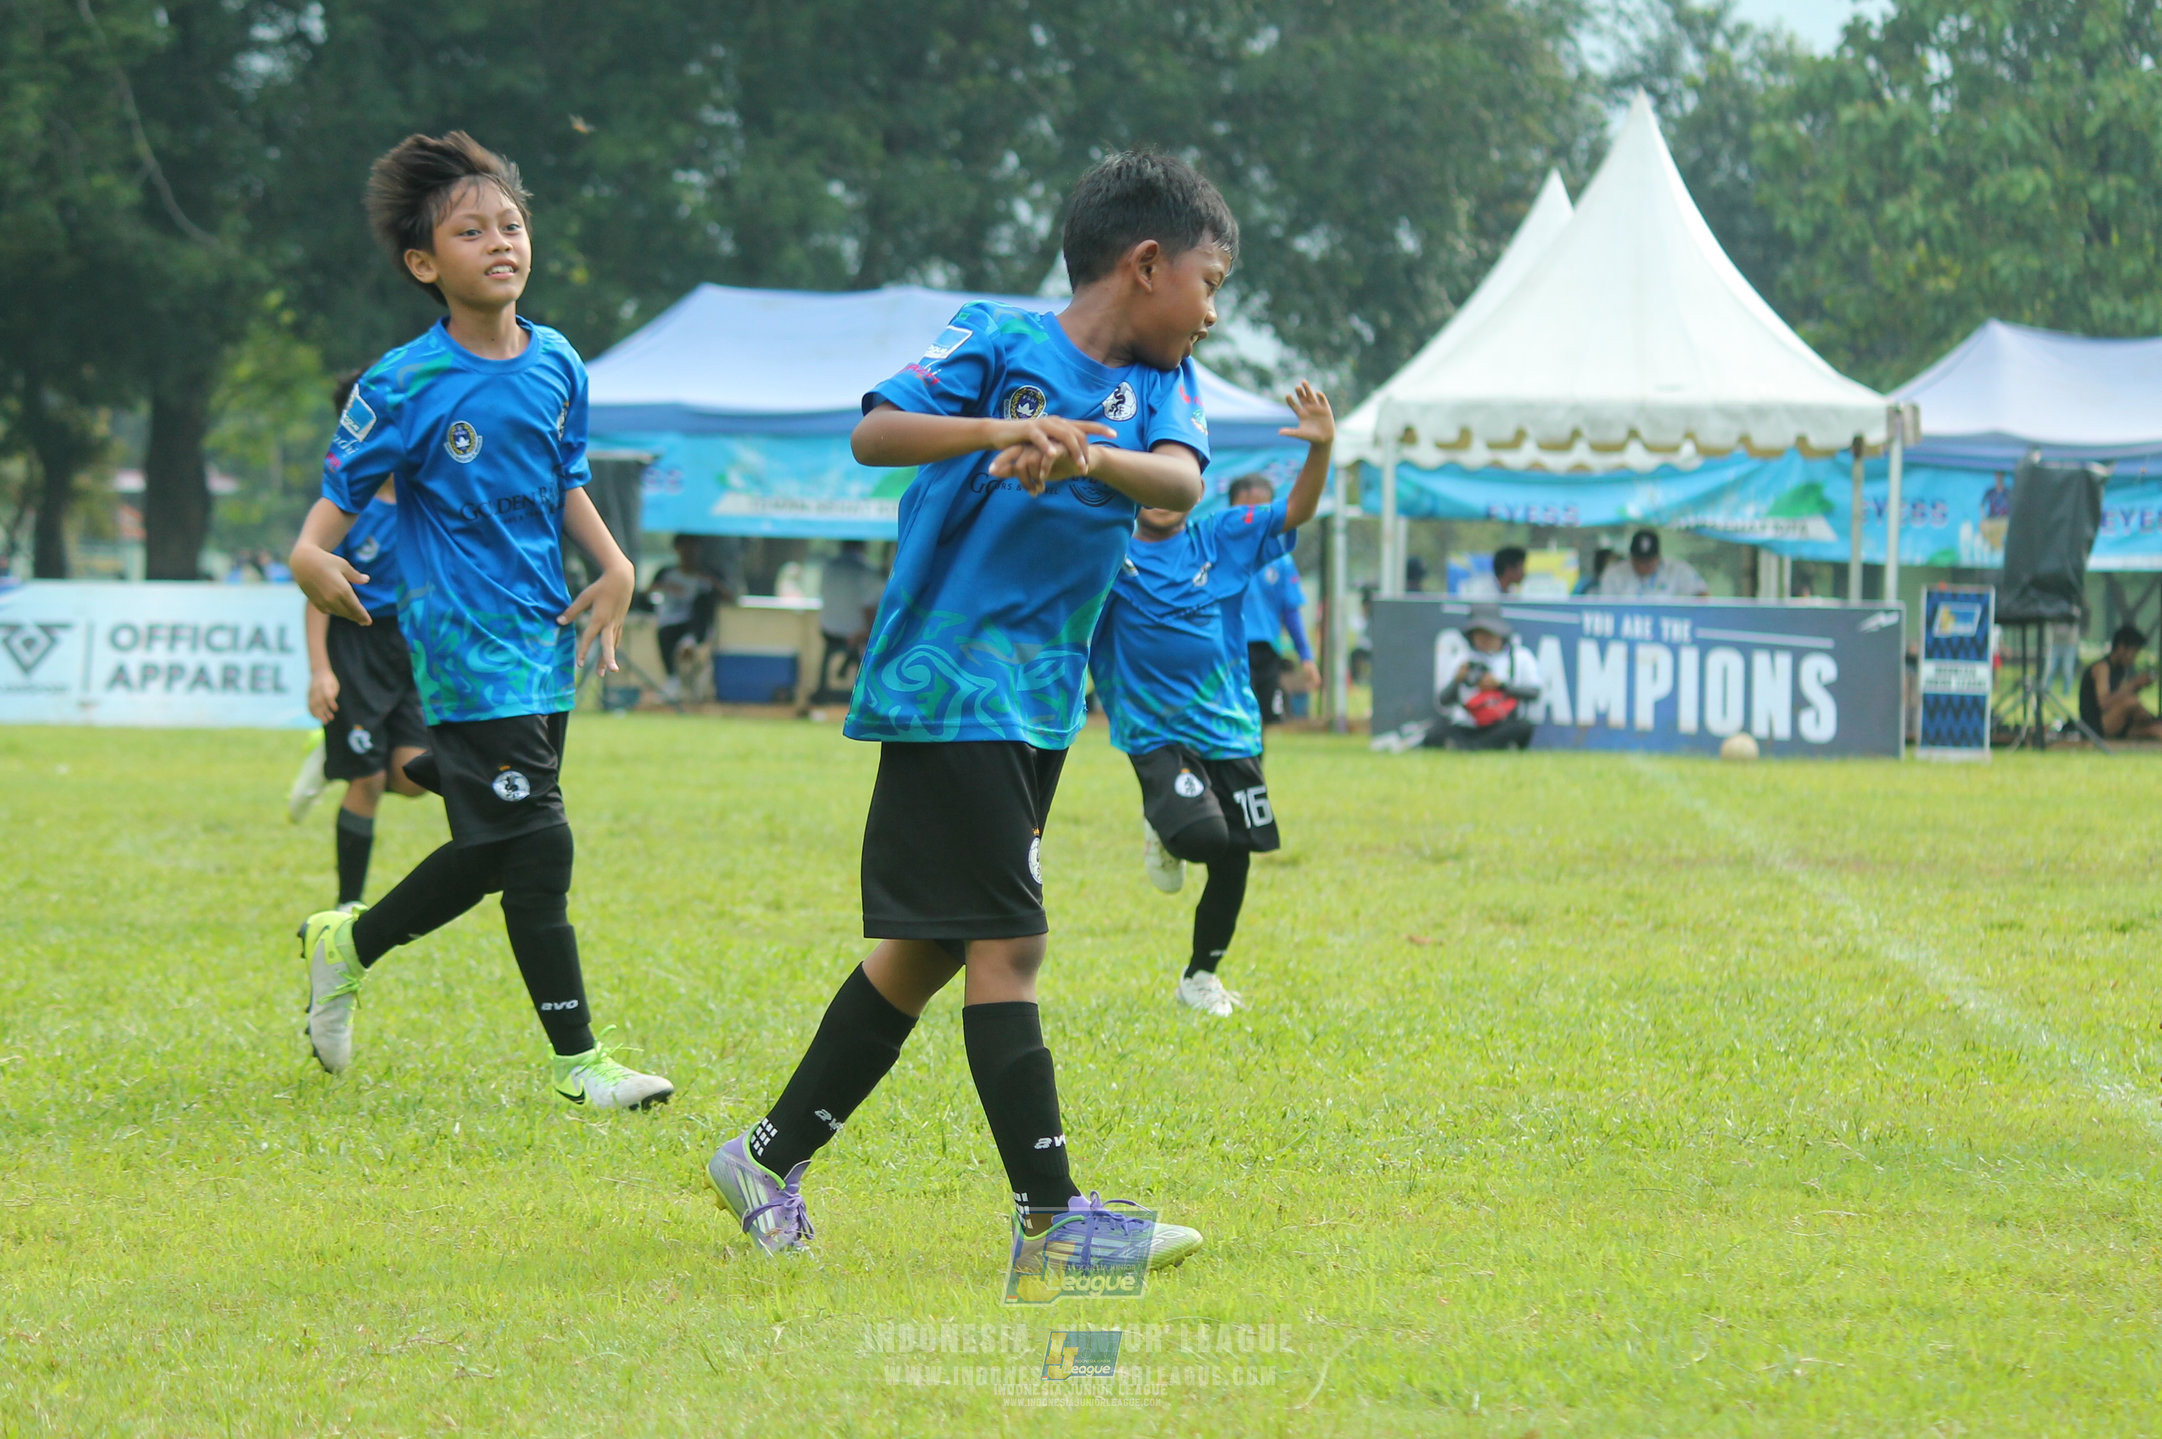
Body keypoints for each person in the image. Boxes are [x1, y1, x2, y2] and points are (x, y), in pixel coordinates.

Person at [703, 150, 1228, 1289]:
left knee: (930, 948)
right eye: (1206, 279)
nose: (1211, 307)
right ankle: (1050, 1222)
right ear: (1145, 265)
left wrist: (1084, 451)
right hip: (949, 684)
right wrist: (1002, 433)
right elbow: (877, 432)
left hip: (1038, 703)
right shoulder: (994, 339)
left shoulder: (1162, 384)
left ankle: (762, 1157)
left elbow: (1179, 486)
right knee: (1008, 942)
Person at [286, 131, 672, 1110]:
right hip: (460, 649)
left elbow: (565, 480)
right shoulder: (401, 384)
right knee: (540, 840)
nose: (499, 241)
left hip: (547, 641)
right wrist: (310, 565)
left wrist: (616, 562)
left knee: (509, 850)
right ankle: (580, 1064)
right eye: (470, 230)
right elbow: (319, 528)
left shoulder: (558, 362)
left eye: (509, 223)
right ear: (426, 263)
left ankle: (349, 942)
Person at [1090, 383, 1333, 1018]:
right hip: (1154, 732)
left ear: (1199, 481)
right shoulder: (1106, 552)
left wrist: (1322, 449)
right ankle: (1165, 823)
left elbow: (1298, 511)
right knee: (1203, 840)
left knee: (1237, 859)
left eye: (1184, 474)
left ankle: (1200, 976)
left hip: (1230, 728)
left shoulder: (1222, 536)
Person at [283, 374, 429, 911]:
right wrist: (321, 671)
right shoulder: (348, 504)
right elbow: (315, 596)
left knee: (412, 778)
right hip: (356, 639)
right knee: (367, 781)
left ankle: (331, 757)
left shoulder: (426, 495)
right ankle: (346, 910)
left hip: (411, 646)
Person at [1226, 475, 1316, 727]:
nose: (1252, 515)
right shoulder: (1216, 551)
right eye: (1245, 507)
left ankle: (1254, 765)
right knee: (1231, 713)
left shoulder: (1280, 559)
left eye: (1261, 508)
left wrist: (1306, 656)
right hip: (1228, 647)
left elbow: (1291, 612)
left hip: (1266, 651)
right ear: (1230, 508)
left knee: (1261, 719)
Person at [644, 533, 722, 700]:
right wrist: (661, 587)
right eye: (685, 547)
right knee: (665, 633)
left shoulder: (703, 576)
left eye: (692, 548)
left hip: (694, 624)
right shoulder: (666, 573)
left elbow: (728, 596)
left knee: (702, 604)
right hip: (669, 623)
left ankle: (691, 640)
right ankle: (673, 679)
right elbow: (646, 594)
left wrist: (712, 582)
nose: (689, 553)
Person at [813, 539, 885, 703]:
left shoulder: (829, 567)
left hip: (828, 630)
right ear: (862, 547)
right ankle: (864, 691)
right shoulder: (867, 570)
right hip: (856, 634)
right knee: (870, 639)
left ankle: (843, 669)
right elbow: (869, 607)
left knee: (856, 642)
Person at [2079, 625, 2162, 739]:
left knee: (2157, 731)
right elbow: (2104, 703)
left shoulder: (2120, 670)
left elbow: (2121, 695)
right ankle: (2151, 720)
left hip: (2118, 722)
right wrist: (2133, 684)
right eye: (2133, 653)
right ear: (2121, 648)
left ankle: (2152, 722)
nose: (2133, 658)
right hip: (2096, 725)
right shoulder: (2103, 667)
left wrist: (2138, 687)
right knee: (2131, 702)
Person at [1599, 529, 1708, 597]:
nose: (1643, 566)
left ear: (1658, 558)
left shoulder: (1676, 569)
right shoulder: (1614, 573)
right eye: (1639, 561)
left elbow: (1702, 594)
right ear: (1631, 557)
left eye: (1648, 561)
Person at [1461, 545, 1526, 599]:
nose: (1523, 572)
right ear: (1508, 569)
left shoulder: (1512, 591)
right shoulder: (1482, 592)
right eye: (1521, 567)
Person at [2044, 611, 2082, 696]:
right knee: (2050, 669)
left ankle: (2066, 693)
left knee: (2067, 670)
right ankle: (2045, 691)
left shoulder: (2073, 611)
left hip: (2069, 644)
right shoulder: (2053, 610)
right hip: (2055, 644)